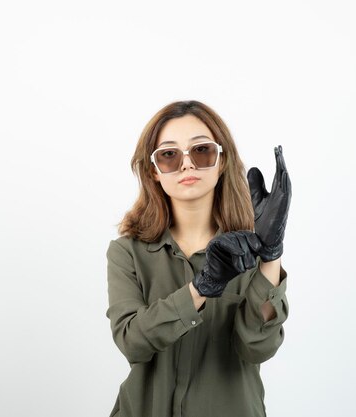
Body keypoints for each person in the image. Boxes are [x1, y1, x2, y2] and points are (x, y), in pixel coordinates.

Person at [106, 100, 292, 417]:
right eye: (169, 155)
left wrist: (269, 255)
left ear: (221, 161)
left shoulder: (246, 253)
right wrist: (202, 288)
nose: (187, 165)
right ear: (153, 171)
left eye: (201, 151)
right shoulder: (127, 252)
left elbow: (257, 347)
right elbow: (132, 343)